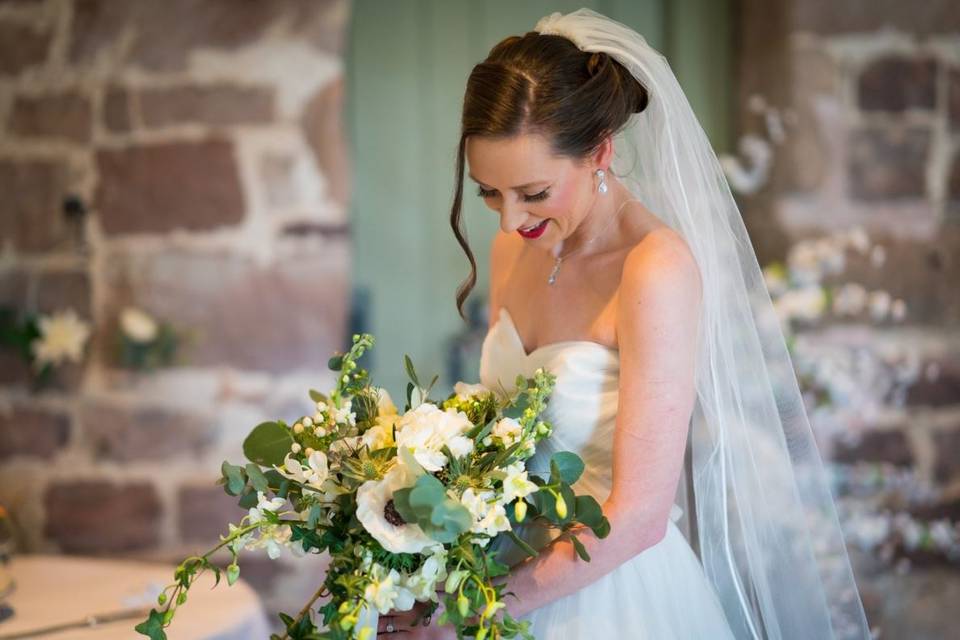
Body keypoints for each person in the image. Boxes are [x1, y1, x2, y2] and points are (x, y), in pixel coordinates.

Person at [378, 8, 872, 639]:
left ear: (600, 153)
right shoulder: (516, 246)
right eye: (489, 193)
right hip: (488, 572)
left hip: (606, 595)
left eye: (533, 192)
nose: (508, 222)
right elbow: (492, 441)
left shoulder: (654, 269)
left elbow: (636, 516)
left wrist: (473, 610)